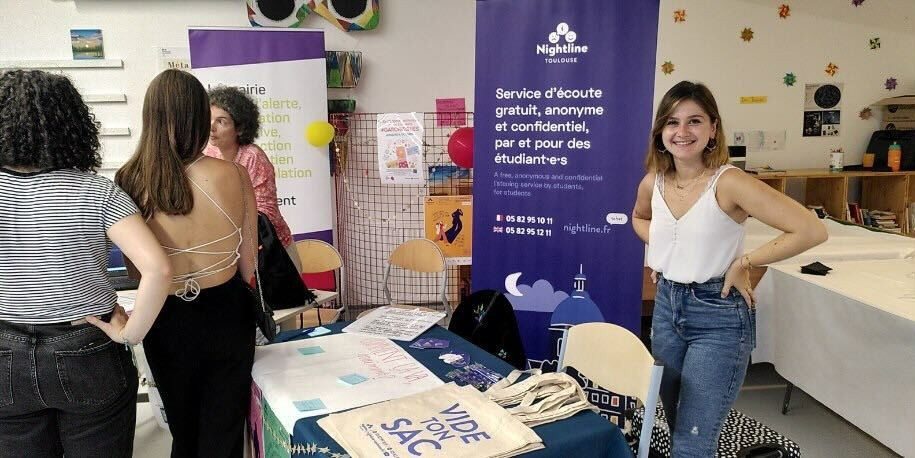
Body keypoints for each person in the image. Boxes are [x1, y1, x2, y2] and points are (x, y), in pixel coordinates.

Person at [631, 81, 827, 457]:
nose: (682, 132)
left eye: (694, 121)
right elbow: (639, 219)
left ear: (713, 129)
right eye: (672, 122)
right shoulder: (653, 181)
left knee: (691, 440)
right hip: (668, 310)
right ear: (660, 131)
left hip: (717, 315)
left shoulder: (729, 182)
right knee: (677, 425)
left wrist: (745, 262)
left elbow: (810, 229)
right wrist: (666, 252)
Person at [0, 70, 171, 457]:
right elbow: (158, 270)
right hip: (86, 347)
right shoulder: (96, 190)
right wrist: (131, 335)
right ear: (72, 124)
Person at [115, 69, 258, 457]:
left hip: (166, 316)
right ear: (199, 116)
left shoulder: (129, 179)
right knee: (225, 425)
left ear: (151, 116)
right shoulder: (235, 174)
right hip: (228, 309)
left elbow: (135, 270)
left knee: (184, 427)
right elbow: (249, 264)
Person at [205, 85, 302, 272]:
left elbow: (266, 214)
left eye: (221, 121)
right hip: (230, 252)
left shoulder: (253, 157)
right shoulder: (207, 153)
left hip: (271, 253)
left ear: (239, 128)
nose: (211, 127)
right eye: (209, 120)